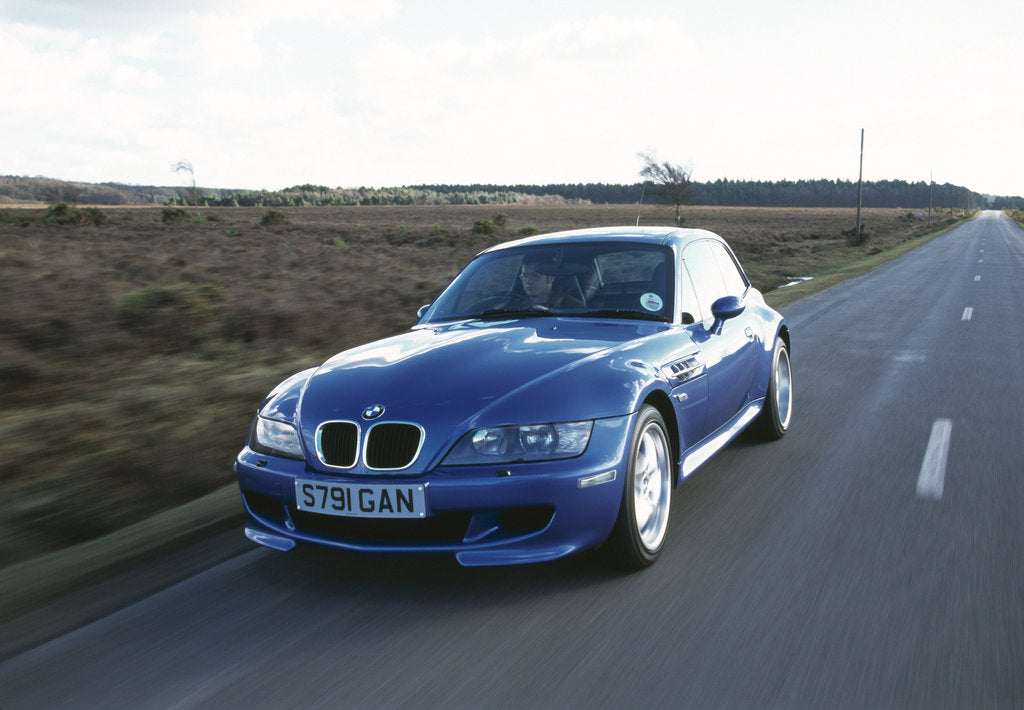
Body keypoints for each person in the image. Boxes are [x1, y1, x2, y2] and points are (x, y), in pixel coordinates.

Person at [518, 254, 584, 308]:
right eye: (524, 276)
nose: (528, 281)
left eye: (535, 275)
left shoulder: (574, 307)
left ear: (551, 278)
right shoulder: (515, 305)